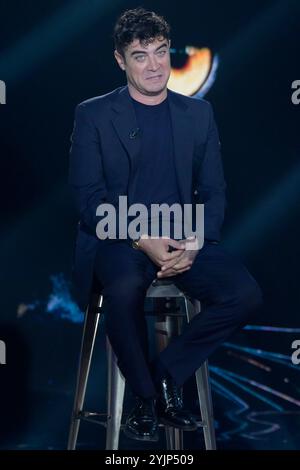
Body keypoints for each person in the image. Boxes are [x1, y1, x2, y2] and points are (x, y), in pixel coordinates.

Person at [69, 7, 263, 442]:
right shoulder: (94, 114)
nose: (155, 65)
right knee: (122, 287)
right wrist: (142, 238)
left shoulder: (198, 114)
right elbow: (87, 201)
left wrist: (194, 240)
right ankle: (144, 397)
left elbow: (214, 192)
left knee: (244, 294)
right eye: (141, 56)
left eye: (160, 52)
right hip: (118, 236)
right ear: (121, 60)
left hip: (182, 233)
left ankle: (161, 379)